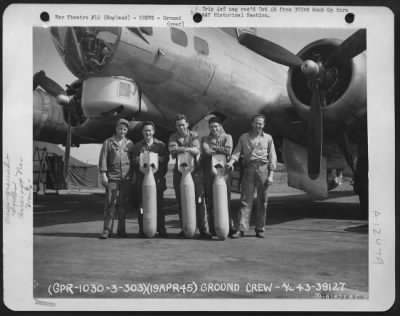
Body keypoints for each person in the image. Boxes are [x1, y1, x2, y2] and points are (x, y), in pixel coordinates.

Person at [227, 114, 277, 238]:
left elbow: (272, 157)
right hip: (248, 169)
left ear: (264, 125)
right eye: (256, 123)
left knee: (263, 200)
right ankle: (241, 228)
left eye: (260, 123)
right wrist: (230, 162)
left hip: (262, 169)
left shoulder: (268, 138)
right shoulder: (244, 137)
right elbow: (237, 152)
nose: (258, 125)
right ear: (252, 123)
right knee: (245, 200)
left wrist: (271, 175)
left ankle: (260, 228)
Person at [168, 114, 212, 239]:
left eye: (182, 124)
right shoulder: (173, 136)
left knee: (199, 201)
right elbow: (172, 150)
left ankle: (204, 229)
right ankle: (186, 227)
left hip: (195, 173)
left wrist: (181, 149)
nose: (180, 127)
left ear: (187, 124)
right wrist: (188, 149)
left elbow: (197, 149)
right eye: (178, 125)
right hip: (179, 172)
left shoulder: (194, 135)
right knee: (182, 200)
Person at [98, 118, 134, 239]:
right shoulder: (108, 142)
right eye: (120, 128)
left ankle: (121, 230)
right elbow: (103, 159)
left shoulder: (130, 143)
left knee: (123, 205)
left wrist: (133, 176)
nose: (122, 131)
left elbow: (133, 161)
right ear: (116, 129)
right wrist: (103, 174)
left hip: (126, 178)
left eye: (125, 129)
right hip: (112, 177)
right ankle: (107, 230)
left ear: (127, 130)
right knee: (110, 204)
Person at [132, 121, 169, 238]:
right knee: (142, 206)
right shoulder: (137, 146)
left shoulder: (161, 145)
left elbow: (166, 159)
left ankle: (161, 229)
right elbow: (133, 161)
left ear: (153, 132)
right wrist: (142, 158)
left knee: (159, 206)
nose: (148, 132)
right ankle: (142, 229)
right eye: (145, 130)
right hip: (142, 180)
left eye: (149, 130)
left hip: (157, 180)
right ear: (142, 132)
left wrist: (153, 157)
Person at [201, 116, 235, 236]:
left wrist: (214, 147)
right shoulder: (205, 138)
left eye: (216, 126)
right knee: (211, 201)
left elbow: (228, 151)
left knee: (225, 200)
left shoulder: (228, 137)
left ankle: (229, 228)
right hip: (210, 173)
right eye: (211, 127)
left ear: (220, 126)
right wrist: (221, 149)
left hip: (224, 174)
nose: (214, 129)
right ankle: (213, 228)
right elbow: (206, 151)